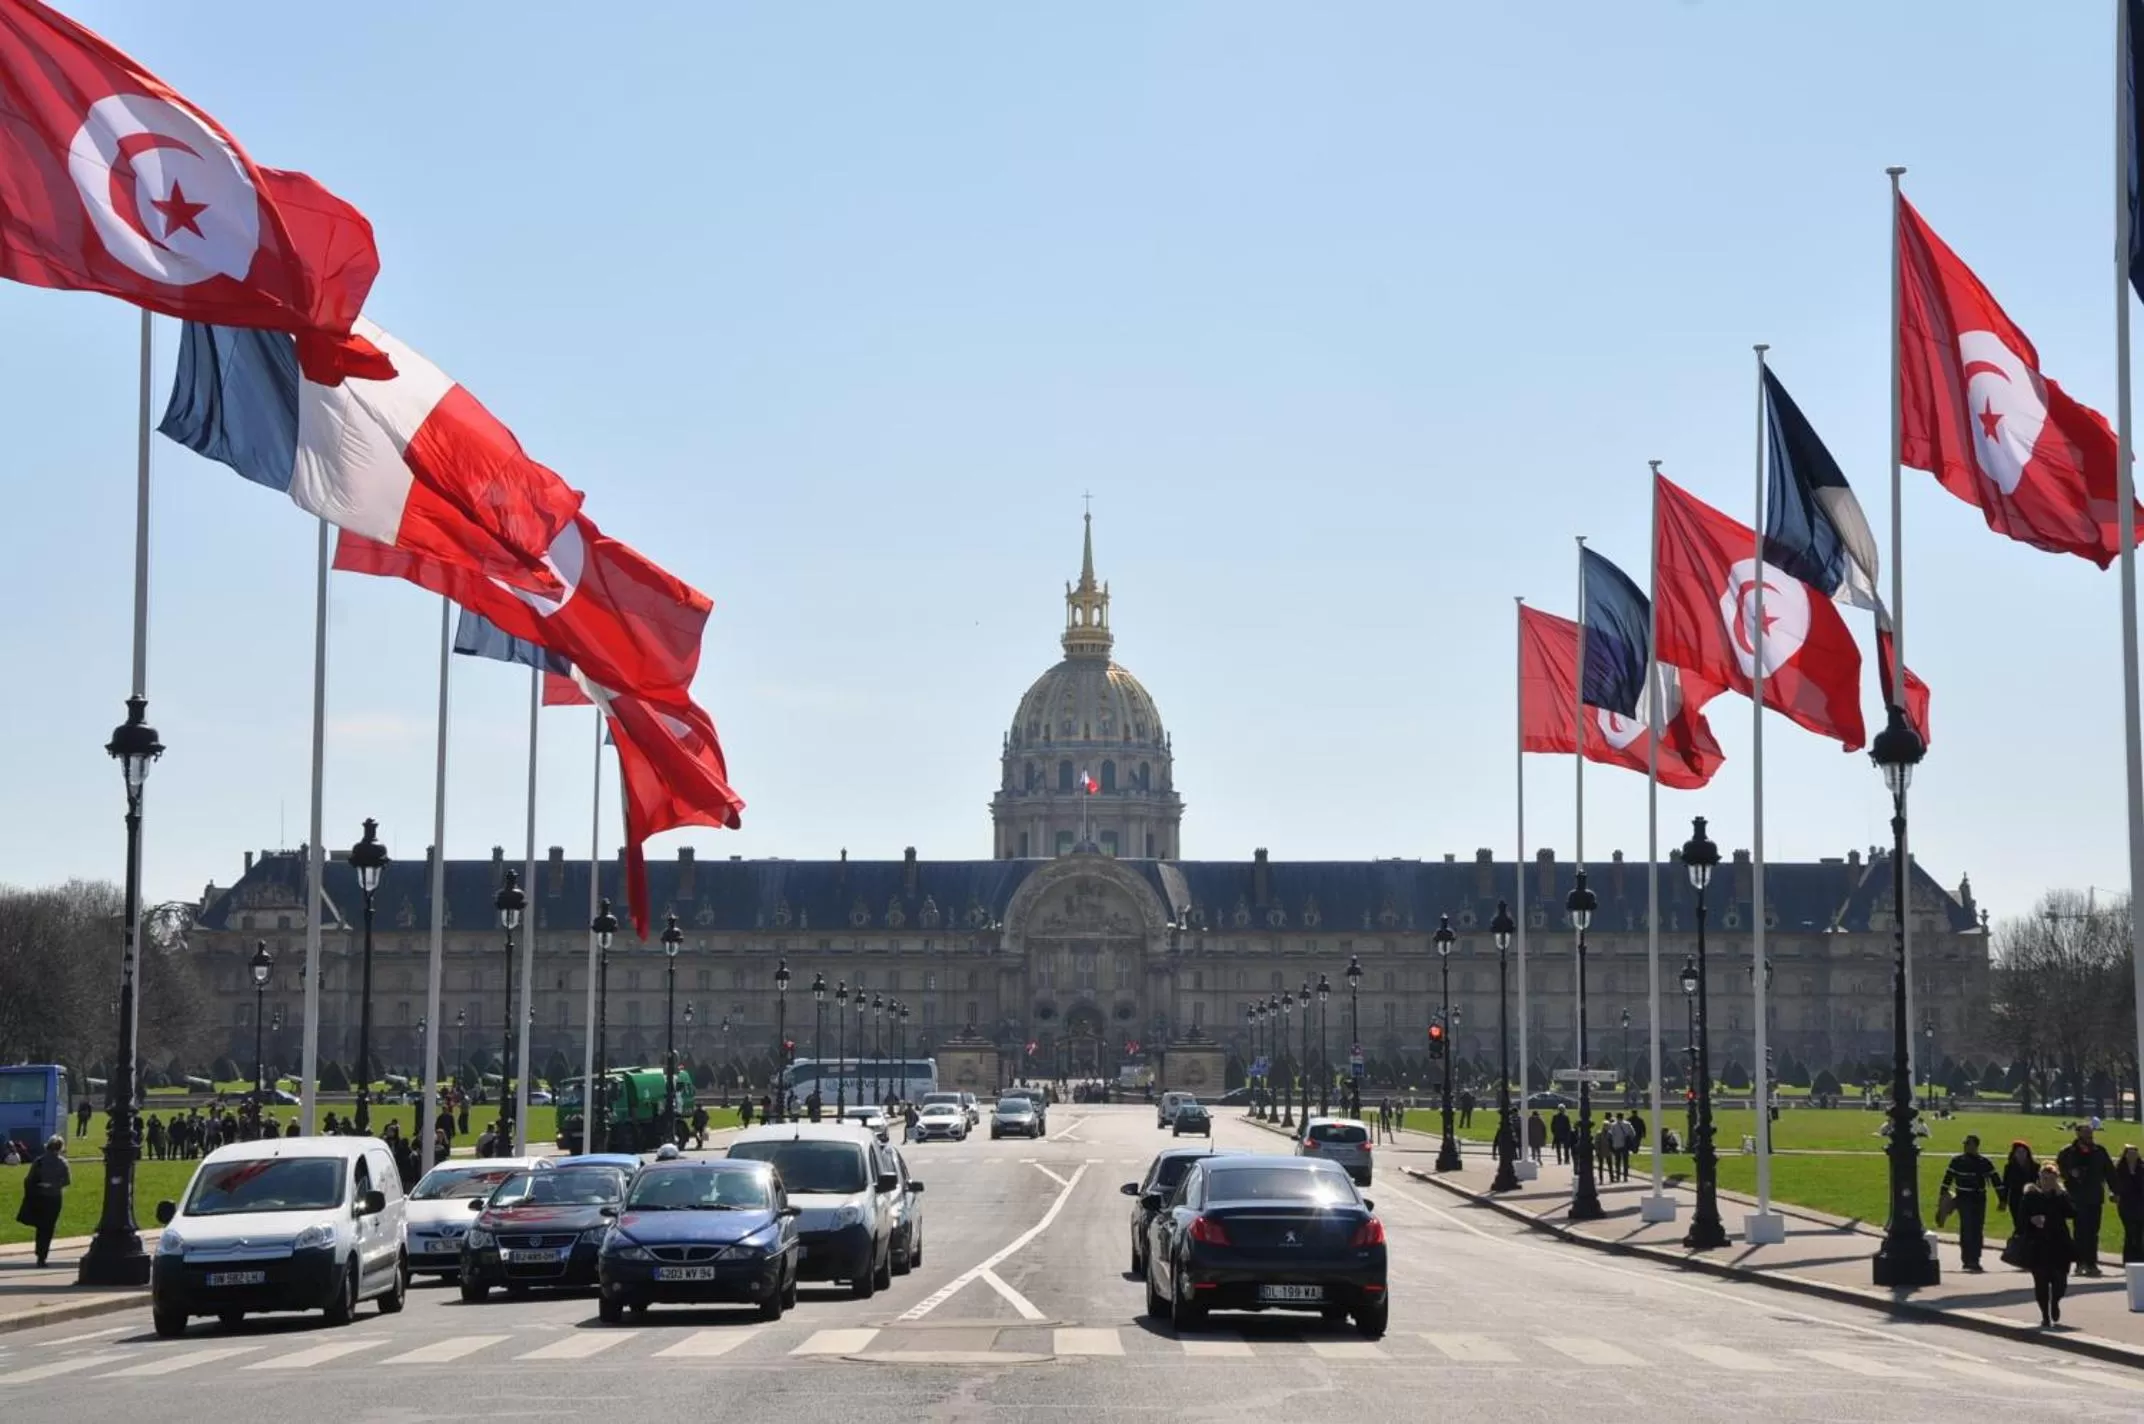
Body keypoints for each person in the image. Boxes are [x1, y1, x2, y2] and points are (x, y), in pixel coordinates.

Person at [2014, 1162, 2075, 1328]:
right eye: (2044, 1178)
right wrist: (2031, 1220)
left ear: (2056, 1179)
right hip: (2038, 1245)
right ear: (2039, 1179)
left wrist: (2061, 1194)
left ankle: (2055, 1302)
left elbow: (2072, 1213)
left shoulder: (2061, 1196)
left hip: (2059, 1245)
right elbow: (2020, 1221)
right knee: (2041, 1283)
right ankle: (2045, 1315)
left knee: (2060, 1282)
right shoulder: (2031, 1196)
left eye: (2051, 1178)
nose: (2047, 1182)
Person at [2056, 1122, 2115, 1277]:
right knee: (2080, 1231)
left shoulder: (2099, 1151)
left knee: (2093, 1232)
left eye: (2090, 1133)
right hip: (2077, 1196)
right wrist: (2070, 1174)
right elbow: (2060, 1169)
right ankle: (2080, 1263)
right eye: (2086, 1133)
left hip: (2095, 1196)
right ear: (2078, 1134)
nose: (2090, 1136)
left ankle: (2092, 1263)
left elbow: (2110, 1172)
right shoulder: (2067, 1152)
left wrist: (2116, 1191)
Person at [1940, 1134, 2003, 1273]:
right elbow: (1947, 1179)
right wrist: (1942, 1197)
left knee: (1978, 1229)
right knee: (1967, 1228)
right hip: (1963, 1198)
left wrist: (2002, 1199)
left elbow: (1996, 1181)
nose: (1966, 1146)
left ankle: (1975, 1259)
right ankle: (1967, 1260)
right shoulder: (1957, 1161)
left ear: (1976, 1146)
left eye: (1969, 1144)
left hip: (1979, 1198)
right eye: (1965, 1144)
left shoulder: (1984, 1162)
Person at [16, 1135, 70, 1265]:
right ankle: (43, 1254)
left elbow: (29, 1180)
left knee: (41, 1226)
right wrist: (54, 1185)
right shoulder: (63, 1163)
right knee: (49, 1227)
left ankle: (39, 1252)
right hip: (55, 1198)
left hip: (40, 1196)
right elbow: (67, 1181)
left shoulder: (39, 1161)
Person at [2111, 1144, 2144, 1265]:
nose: (2132, 1156)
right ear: (2125, 1155)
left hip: (2140, 1204)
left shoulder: (2142, 1168)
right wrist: (2114, 1195)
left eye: (2135, 1153)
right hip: (2126, 1204)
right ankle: (2129, 1259)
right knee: (2130, 1231)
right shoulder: (2120, 1169)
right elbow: (2114, 1186)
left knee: (2139, 1232)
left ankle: (2140, 1259)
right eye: (2130, 1153)